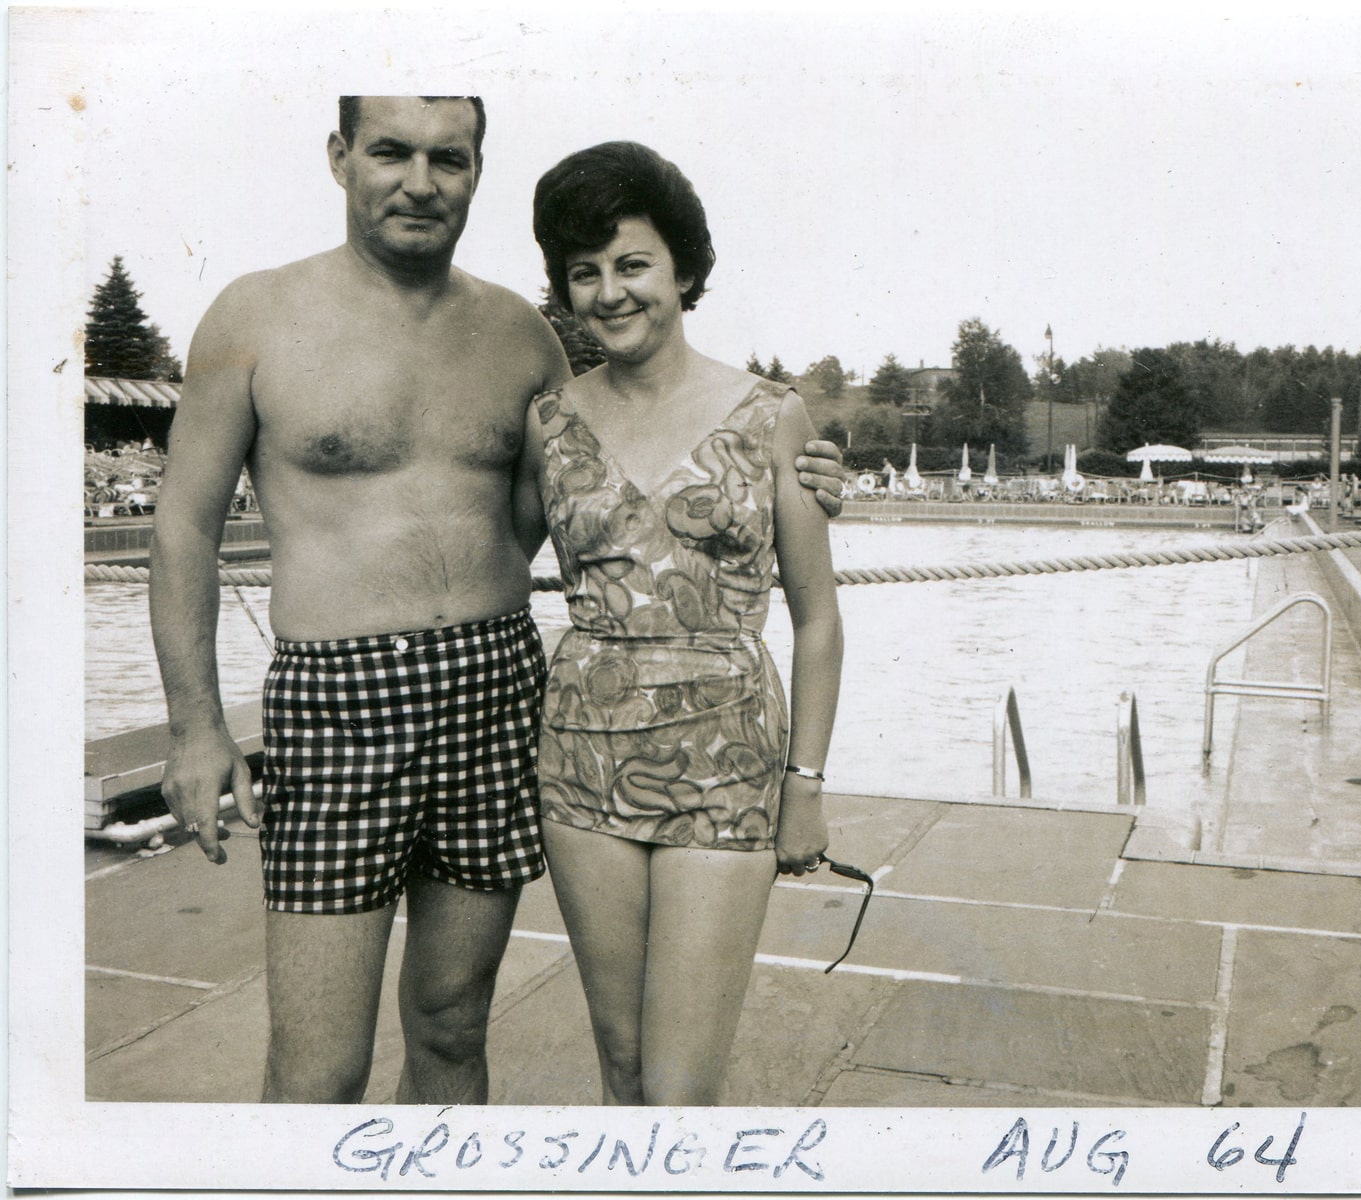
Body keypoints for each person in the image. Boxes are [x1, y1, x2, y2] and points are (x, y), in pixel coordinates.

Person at [148, 97, 846, 1105]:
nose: (420, 180)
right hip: (336, 702)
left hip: (493, 692)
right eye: (390, 151)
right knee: (318, 1068)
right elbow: (181, 526)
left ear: (476, 171)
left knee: (451, 1024)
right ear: (340, 156)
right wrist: (195, 728)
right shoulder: (254, 319)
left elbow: (611, 481)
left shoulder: (522, 340)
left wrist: (812, 474)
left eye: (449, 157)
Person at [515, 141, 844, 1105]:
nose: (609, 293)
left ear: (684, 270)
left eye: (632, 264)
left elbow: (817, 623)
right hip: (580, 763)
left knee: (680, 1089)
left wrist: (807, 786)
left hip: (727, 763)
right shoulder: (549, 424)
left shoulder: (771, 415)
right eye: (584, 273)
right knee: (620, 1069)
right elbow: (479, 557)